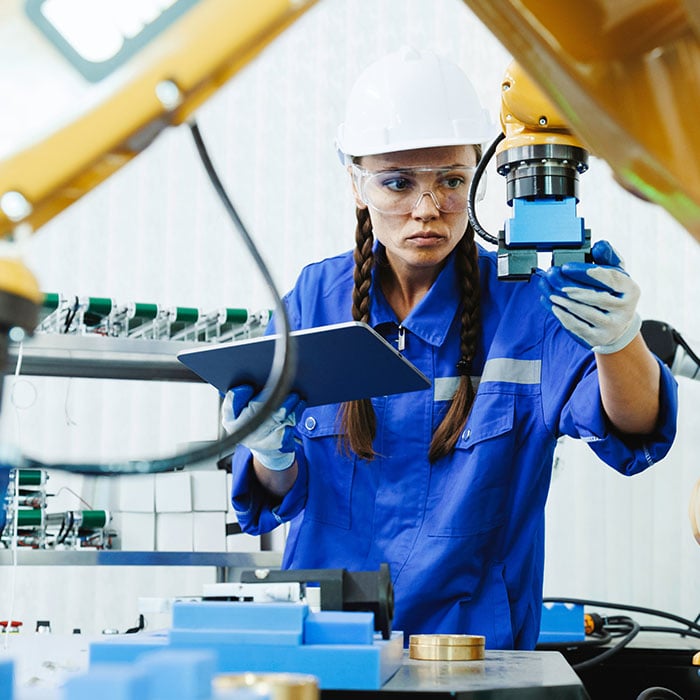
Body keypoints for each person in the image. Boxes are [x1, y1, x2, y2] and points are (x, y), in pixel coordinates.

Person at [224, 47, 678, 650]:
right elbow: (278, 497)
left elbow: (636, 427)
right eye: (398, 183)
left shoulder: (525, 307)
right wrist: (270, 457)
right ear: (356, 182)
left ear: (477, 177)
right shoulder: (315, 302)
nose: (427, 209)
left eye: (451, 182)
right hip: (331, 650)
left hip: (474, 659)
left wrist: (620, 341)